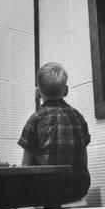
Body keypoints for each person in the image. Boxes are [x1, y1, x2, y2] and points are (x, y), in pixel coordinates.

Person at [18, 62, 91, 201]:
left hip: (45, 190)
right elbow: (84, 160)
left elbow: (25, 166)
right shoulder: (79, 117)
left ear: (38, 93)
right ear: (66, 91)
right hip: (78, 188)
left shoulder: (35, 118)